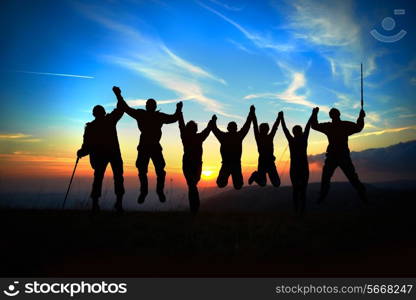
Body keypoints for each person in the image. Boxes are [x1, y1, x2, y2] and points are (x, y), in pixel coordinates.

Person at [113, 86, 182, 203]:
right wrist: (118, 95)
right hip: (148, 146)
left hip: (150, 146)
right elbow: (174, 118)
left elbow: (126, 108)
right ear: (152, 106)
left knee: (154, 170)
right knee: (149, 170)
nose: (149, 106)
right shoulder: (150, 115)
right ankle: (149, 191)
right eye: (149, 105)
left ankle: (152, 191)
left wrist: (118, 95)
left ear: (151, 106)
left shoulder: (148, 115)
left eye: (150, 105)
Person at [77, 87, 125, 212]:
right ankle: (118, 204)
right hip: (113, 154)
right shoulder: (109, 120)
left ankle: (95, 204)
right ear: (103, 113)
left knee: (98, 178)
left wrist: (81, 152)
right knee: (118, 177)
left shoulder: (91, 127)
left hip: (100, 156)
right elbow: (121, 109)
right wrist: (118, 95)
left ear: (94, 114)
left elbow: (86, 145)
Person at [311, 107, 367, 203]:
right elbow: (359, 127)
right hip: (342, 155)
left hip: (333, 156)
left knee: (326, 177)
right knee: (352, 176)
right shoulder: (345, 125)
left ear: (330, 116)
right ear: (339, 114)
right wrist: (361, 117)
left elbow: (314, 125)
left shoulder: (329, 126)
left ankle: (322, 195)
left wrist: (315, 114)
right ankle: (362, 193)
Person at [211, 106, 254, 189]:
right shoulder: (237, 136)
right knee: (235, 185)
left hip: (230, 164)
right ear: (235, 128)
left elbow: (214, 129)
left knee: (224, 184)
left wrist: (214, 121)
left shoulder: (225, 136)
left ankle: (227, 181)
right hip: (232, 164)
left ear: (228, 128)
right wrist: (251, 113)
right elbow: (247, 125)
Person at [279, 110, 312, 215]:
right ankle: (300, 211)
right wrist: (313, 114)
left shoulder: (292, 140)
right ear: (300, 131)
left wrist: (281, 118)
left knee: (296, 190)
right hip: (303, 168)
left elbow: (285, 129)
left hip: (295, 168)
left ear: (294, 132)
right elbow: (308, 126)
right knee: (302, 191)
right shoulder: (303, 139)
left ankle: (297, 211)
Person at [178, 111, 212, 214]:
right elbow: (181, 124)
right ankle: (195, 209)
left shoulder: (193, 136)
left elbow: (207, 130)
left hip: (196, 165)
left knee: (192, 185)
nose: (192, 130)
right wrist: (180, 112)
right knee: (192, 185)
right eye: (191, 128)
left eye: (193, 128)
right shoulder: (189, 136)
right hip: (190, 164)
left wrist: (180, 112)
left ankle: (194, 209)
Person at [248, 106, 281, 187]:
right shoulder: (259, 137)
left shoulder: (268, 137)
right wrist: (252, 113)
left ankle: (256, 175)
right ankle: (255, 175)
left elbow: (274, 127)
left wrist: (279, 118)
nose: (265, 130)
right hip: (263, 161)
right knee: (263, 183)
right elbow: (255, 125)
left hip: (270, 162)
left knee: (276, 184)